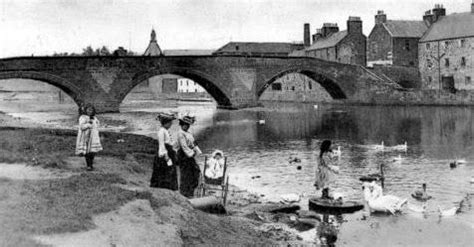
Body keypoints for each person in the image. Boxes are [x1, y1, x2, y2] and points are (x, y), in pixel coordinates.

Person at [150, 112, 178, 190]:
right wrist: (166, 156)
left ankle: (169, 187)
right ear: (166, 122)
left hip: (169, 152)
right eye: (170, 123)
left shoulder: (165, 130)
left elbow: (169, 142)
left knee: (170, 170)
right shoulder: (161, 131)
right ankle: (164, 187)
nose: (171, 124)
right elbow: (162, 145)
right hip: (165, 155)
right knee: (166, 170)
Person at [175, 114, 201, 198]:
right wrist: (191, 153)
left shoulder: (188, 132)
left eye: (188, 125)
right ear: (182, 124)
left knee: (196, 171)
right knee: (186, 174)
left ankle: (190, 191)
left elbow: (193, 143)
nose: (187, 127)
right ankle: (185, 193)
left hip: (189, 154)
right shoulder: (180, 134)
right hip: (183, 155)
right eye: (186, 125)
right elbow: (184, 146)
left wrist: (197, 151)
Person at [75, 104, 102, 171]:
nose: (90, 111)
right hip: (86, 137)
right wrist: (88, 124)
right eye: (88, 110)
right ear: (85, 110)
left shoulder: (95, 118)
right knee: (87, 151)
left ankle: (91, 164)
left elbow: (97, 125)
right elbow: (81, 127)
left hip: (93, 137)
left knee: (93, 151)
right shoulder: (83, 117)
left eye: (91, 110)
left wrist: (96, 123)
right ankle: (88, 165)